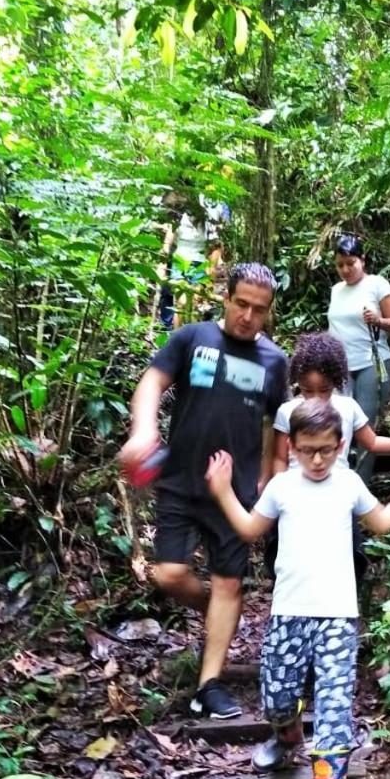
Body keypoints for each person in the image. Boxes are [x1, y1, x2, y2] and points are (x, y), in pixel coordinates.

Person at [205, 399, 390, 779]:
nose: (316, 459)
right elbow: (248, 529)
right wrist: (222, 490)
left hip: (337, 616)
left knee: (335, 709)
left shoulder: (349, 483)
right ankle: (286, 736)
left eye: (325, 449)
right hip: (289, 612)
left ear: (341, 445)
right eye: (306, 450)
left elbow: (383, 522)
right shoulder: (282, 486)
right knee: (278, 698)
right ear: (292, 447)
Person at [119, 262, 288, 719]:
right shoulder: (192, 338)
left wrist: (270, 473)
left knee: (230, 581)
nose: (248, 316)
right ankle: (216, 612)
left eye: (260, 309)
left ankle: (208, 684)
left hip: (233, 493)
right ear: (226, 298)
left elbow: (280, 420)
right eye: (241, 304)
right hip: (180, 479)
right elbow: (153, 382)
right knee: (170, 574)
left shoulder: (275, 361)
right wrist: (143, 430)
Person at [272, 332, 390, 474]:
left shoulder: (347, 407)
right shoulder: (287, 412)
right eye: (307, 390)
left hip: (338, 493)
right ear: (298, 383)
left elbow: (373, 442)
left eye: (324, 390)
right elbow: (280, 458)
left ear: (335, 382)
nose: (316, 398)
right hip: (297, 496)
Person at [327, 233, 390, 482]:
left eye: (351, 263)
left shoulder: (377, 284)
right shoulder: (336, 290)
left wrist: (378, 320)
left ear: (363, 260)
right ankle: (335, 480)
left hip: (371, 363)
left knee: (364, 428)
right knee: (337, 424)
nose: (345, 269)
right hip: (340, 365)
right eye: (340, 265)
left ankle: (361, 489)